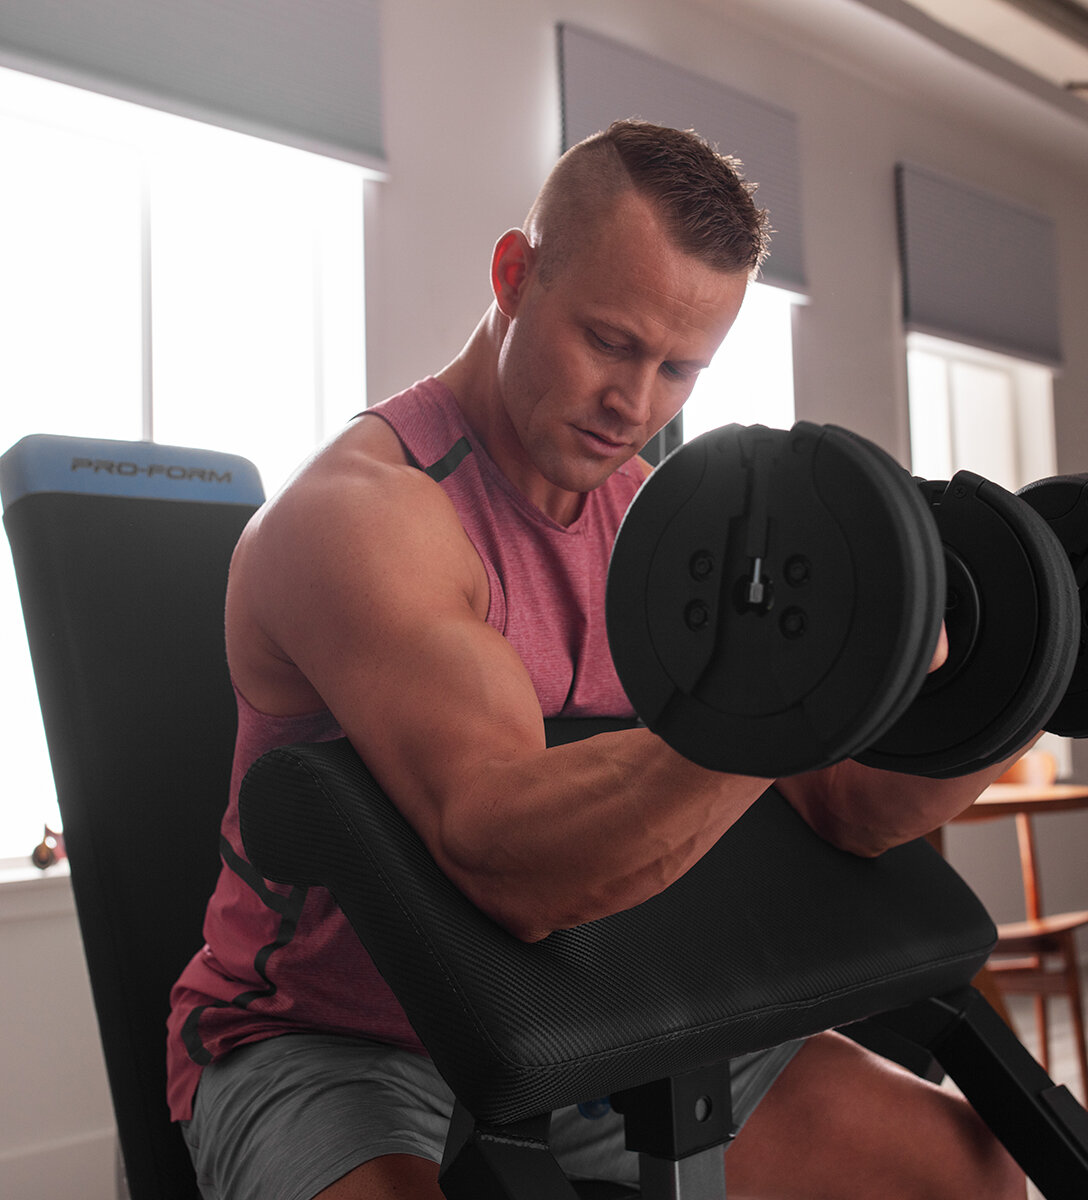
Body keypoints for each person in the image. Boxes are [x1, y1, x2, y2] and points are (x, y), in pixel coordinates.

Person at [168, 120, 1027, 1199]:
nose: (638, 404)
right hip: (333, 1043)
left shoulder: (659, 528)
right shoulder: (367, 518)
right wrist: (792, 698)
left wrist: (1031, 667)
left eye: (681, 369)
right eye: (612, 343)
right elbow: (507, 856)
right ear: (514, 275)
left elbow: (843, 810)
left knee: (969, 1169)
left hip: (597, 1016)